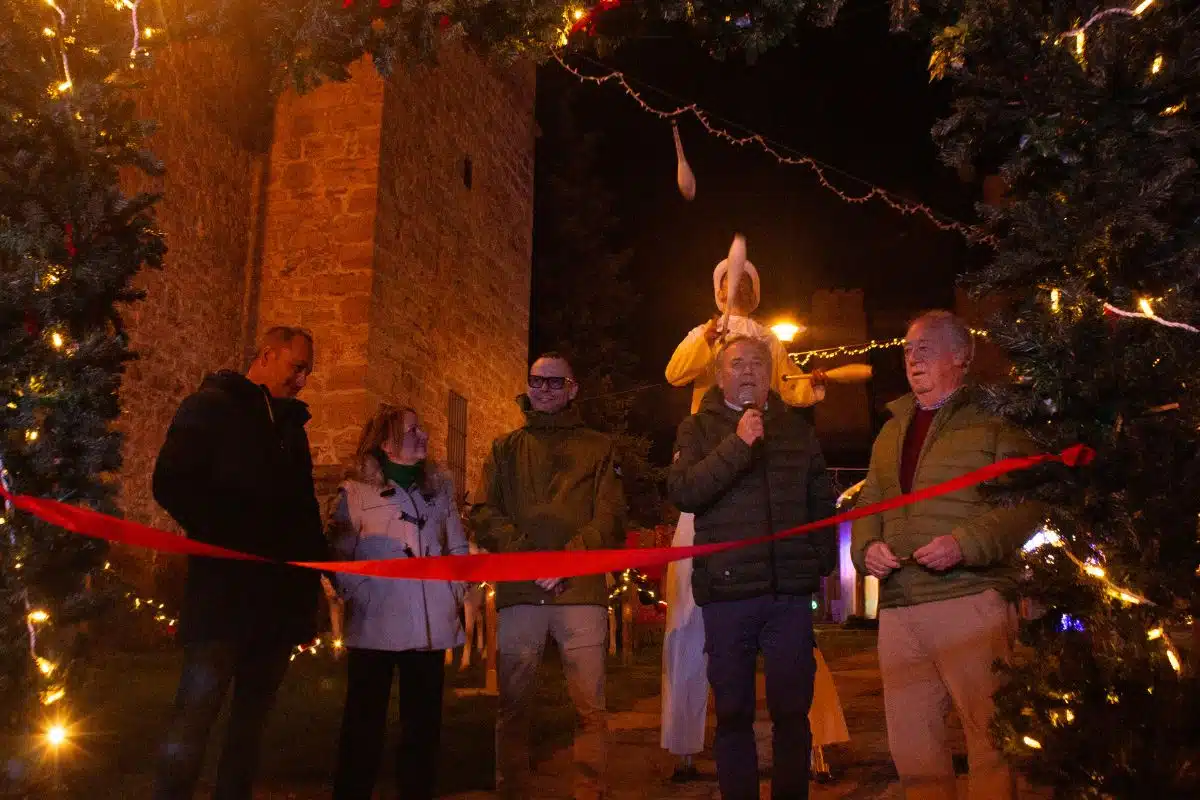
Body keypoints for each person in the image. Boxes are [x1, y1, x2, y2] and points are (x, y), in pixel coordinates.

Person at [851, 310, 1042, 800]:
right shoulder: (891, 430)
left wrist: (964, 545)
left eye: (926, 348)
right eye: (908, 350)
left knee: (990, 739)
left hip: (970, 599)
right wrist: (866, 548)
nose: (913, 358)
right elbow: (870, 501)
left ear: (961, 355)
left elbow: (1026, 503)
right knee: (913, 750)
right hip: (900, 607)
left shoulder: (996, 420)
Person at [661, 259, 828, 781]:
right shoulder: (705, 343)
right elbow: (674, 372)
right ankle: (685, 741)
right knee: (687, 622)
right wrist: (707, 338)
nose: (749, 371)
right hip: (720, 533)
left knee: (791, 696)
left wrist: (810, 387)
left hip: (781, 575)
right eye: (729, 283)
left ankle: (811, 755)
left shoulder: (770, 342)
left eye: (746, 283)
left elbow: (790, 387)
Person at [151, 326, 329, 800]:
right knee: (194, 717)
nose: (303, 381)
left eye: (308, 372)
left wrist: (319, 572)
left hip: (275, 607)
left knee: (249, 729)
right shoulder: (210, 408)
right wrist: (230, 535)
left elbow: (303, 510)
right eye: (297, 367)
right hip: (223, 598)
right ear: (267, 355)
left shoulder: (291, 430)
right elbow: (171, 482)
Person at [470, 352, 627, 800]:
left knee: (589, 706)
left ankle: (590, 791)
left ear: (573, 389)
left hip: (579, 591)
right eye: (537, 381)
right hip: (520, 591)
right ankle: (512, 791)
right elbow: (484, 512)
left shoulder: (599, 447)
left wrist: (567, 559)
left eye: (555, 383)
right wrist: (530, 558)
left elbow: (611, 515)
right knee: (513, 705)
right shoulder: (504, 449)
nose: (544, 390)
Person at [328, 404, 469, 800]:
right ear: (386, 443)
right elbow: (340, 555)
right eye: (412, 431)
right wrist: (361, 593)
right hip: (375, 625)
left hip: (429, 627)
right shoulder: (356, 493)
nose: (423, 435)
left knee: (422, 731)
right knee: (362, 727)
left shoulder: (439, 492)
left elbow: (457, 547)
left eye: (420, 428)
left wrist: (453, 591)